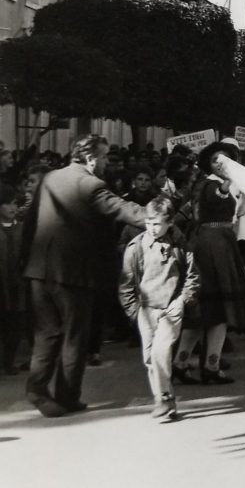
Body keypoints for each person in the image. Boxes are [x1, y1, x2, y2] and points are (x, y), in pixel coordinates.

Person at [22, 135, 147, 417]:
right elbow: (122, 209)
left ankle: (37, 390)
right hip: (73, 274)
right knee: (74, 337)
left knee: (47, 334)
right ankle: (67, 396)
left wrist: (26, 263)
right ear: (91, 159)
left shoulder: (50, 179)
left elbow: (31, 223)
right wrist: (155, 215)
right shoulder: (91, 184)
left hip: (39, 270)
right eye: (104, 158)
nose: (106, 163)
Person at [173, 143, 245, 384]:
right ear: (209, 165)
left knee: (205, 312)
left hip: (214, 243)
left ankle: (182, 363)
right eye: (216, 161)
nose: (221, 164)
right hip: (215, 247)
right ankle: (209, 367)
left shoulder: (204, 183)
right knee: (218, 310)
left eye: (226, 160)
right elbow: (217, 194)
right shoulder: (213, 185)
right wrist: (228, 183)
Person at [119, 197, 199, 421]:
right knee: (149, 358)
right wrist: (134, 312)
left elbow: (192, 275)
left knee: (160, 352)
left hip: (170, 308)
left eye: (157, 224)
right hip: (146, 310)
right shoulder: (135, 247)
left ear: (170, 222)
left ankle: (161, 400)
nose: (152, 228)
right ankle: (168, 400)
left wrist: (182, 300)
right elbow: (126, 283)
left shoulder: (180, 245)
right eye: (148, 223)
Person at [0, 185, 27, 374]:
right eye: (7, 204)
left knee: (14, 325)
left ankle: (8, 363)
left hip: (17, 285)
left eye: (15, 204)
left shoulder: (22, 229)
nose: (12, 208)